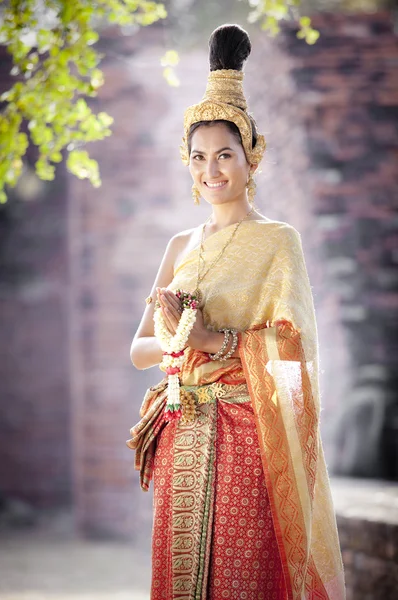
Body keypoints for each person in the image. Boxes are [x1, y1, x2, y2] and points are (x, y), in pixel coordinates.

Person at [127, 24, 346, 600]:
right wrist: (179, 339)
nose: (211, 170)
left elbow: (293, 351)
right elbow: (139, 350)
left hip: (249, 437)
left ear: (252, 158)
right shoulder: (180, 245)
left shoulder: (278, 241)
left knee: (238, 580)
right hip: (182, 432)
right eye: (198, 157)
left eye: (225, 154)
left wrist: (212, 340)